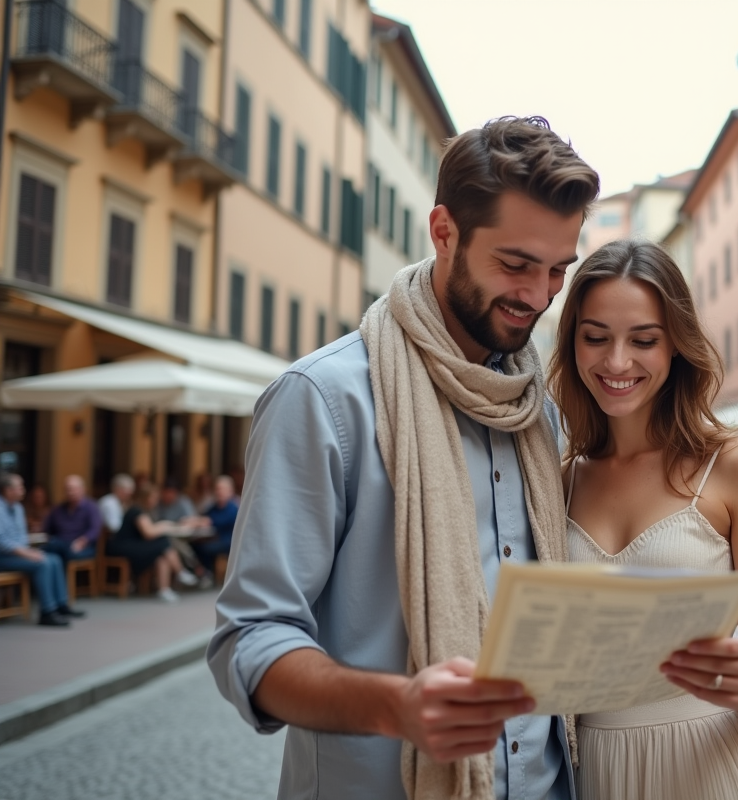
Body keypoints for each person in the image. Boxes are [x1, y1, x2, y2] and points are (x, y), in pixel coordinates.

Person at [208, 116, 601, 800]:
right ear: (444, 232)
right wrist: (396, 707)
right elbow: (249, 639)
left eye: (557, 271)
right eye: (515, 265)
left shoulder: (538, 411)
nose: (539, 296)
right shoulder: (325, 399)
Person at [548, 239, 738, 799]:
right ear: (573, 342)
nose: (617, 362)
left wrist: (735, 678)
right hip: (594, 771)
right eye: (596, 337)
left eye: (644, 340)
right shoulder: (558, 481)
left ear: (676, 344)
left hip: (707, 767)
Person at [0, 473, 83, 625]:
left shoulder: (18, 508)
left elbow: (21, 536)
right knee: (43, 563)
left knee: (54, 559)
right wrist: (28, 554)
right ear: (8, 490)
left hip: (19, 553)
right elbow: (3, 542)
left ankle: (61, 605)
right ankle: (47, 611)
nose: (23, 490)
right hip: (4, 557)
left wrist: (31, 551)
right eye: (20, 487)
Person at [108, 483, 187, 602]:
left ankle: (164, 590)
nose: (156, 501)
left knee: (161, 555)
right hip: (123, 547)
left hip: (134, 546)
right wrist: (165, 527)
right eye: (154, 498)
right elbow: (149, 533)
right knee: (163, 542)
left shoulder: (146, 511)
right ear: (146, 497)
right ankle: (180, 572)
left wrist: (164, 526)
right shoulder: (137, 511)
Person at [42, 475, 102, 570]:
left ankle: (65, 579)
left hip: (83, 545)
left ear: (83, 490)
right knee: (46, 552)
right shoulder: (57, 509)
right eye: (68, 489)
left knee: (67, 553)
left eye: (74, 489)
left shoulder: (91, 507)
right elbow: (47, 529)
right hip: (60, 544)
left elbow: (95, 530)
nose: (71, 492)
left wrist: (82, 542)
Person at [153, 479, 204, 588]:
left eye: (171, 493)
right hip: (161, 538)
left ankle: (185, 571)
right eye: (166, 493)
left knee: (171, 544)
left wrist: (185, 522)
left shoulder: (183, 502)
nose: (168, 496)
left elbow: (194, 519)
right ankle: (188, 568)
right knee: (168, 544)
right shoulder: (158, 503)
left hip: (182, 536)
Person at [190, 476, 238, 577]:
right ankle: (201, 572)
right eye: (217, 489)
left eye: (222, 489)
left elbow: (217, 521)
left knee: (205, 548)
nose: (219, 492)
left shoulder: (233, 508)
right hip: (213, 539)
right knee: (194, 544)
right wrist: (195, 521)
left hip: (228, 541)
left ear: (230, 491)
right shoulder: (214, 507)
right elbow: (204, 517)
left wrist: (207, 521)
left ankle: (207, 574)